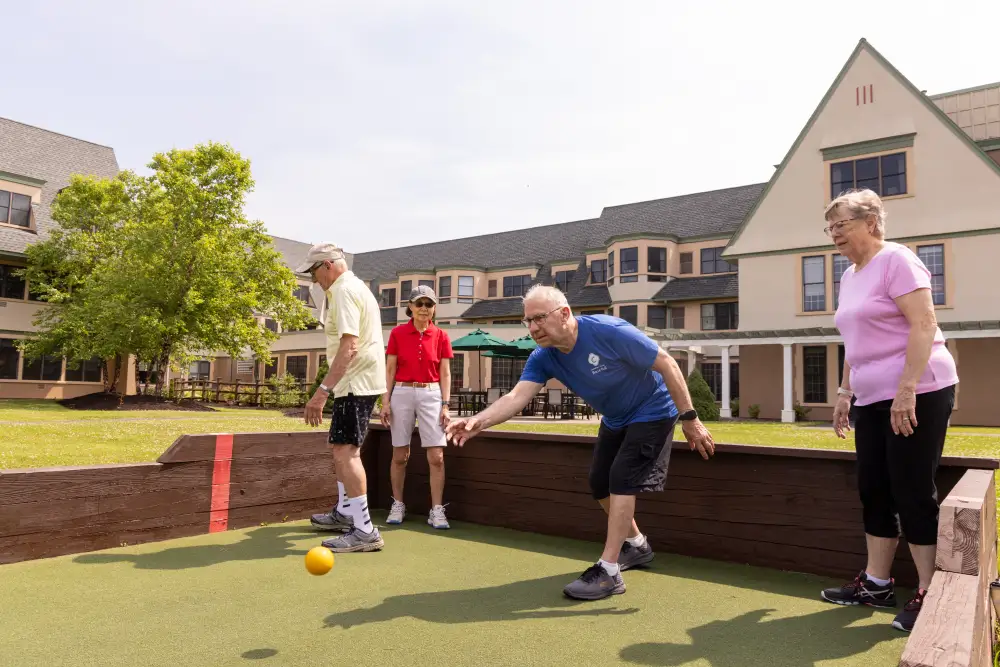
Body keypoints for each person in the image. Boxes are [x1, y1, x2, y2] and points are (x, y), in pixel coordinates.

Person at [445, 285, 715, 600]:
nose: (533, 328)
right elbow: (517, 396)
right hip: (615, 418)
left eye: (539, 319)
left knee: (621, 478)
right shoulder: (544, 357)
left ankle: (610, 571)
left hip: (652, 410)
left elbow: (667, 362)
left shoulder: (608, 332)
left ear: (564, 314)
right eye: (528, 321)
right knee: (599, 483)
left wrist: (690, 419)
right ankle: (637, 545)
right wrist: (479, 421)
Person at [819, 189, 959, 633]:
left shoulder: (897, 260)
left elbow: (924, 322)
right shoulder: (850, 275)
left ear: (872, 222)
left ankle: (930, 592)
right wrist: (845, 391)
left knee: (911, 487)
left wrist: (907, 389)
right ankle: (877, 583)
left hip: (920, 388)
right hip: (871, 395)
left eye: (842, 224)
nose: (835, 234)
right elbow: (854, 340)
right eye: (830, 227)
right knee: (873, 487)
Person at [296, 243, 388, 553]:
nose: (314, 280)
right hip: (357, 380)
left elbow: (350, 345)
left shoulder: (344, 291)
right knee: (340, 448)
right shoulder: (352, 287)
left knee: (346, 452)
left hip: (355, 381)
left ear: (327, 265)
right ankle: (346, 511)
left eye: (313, 272)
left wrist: (322, 392)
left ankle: (364, 530)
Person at [380, 285, 454, 529]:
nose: (424, 308)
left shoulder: (442, 336)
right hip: (401, 392)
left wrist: (445, 404)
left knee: (437, 456)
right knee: (400, 455)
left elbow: (445, 373)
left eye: (429, 304)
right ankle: (398, 504)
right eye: (419, 303)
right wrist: (385, 401)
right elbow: (389, 369)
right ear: (410, 307)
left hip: (432, 393)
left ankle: (437, 510)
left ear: (434, 308)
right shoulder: (397, 334)